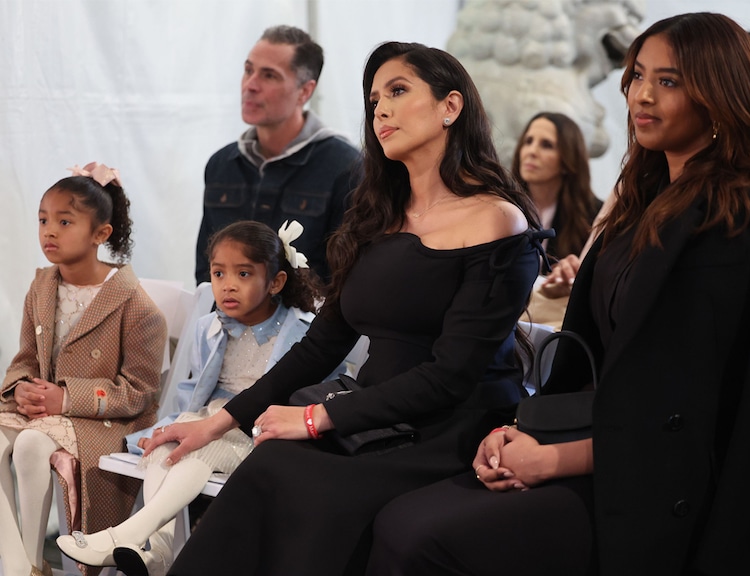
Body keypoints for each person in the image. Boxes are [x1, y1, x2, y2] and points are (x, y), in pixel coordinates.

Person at [367, 12, 750, 576]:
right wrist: (521, 432)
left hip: (662, 480)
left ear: (719, 91)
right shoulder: (645, 201)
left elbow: (691, 406)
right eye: (636, 75)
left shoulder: (741, 214)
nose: (642, 95)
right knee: (397, 518)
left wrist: (554, 458)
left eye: (669, 80)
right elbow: (591, 365)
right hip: (601, 442)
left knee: (424, 536)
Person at [143, 41, 545, 575]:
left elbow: (451, 376)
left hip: (453, 426)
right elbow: (322, 345)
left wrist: (316, 418)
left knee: (311, 488)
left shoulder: (497, 220)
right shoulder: (376, 216)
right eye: (374, 98)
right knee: (270, 466)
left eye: (398, 92)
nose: (380, 109)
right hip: (374, 415)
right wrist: (216, 424)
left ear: (451, 107)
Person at [56, 219, 333, 576]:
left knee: (195, 443)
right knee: (168, 441)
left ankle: (126, 535)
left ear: (276, 281)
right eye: (218, 274)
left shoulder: (302, 333)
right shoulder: (211, 327)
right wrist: (172, 425)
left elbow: (310, 395)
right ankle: (156, 553)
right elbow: (194, 392)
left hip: (261, 431)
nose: (228, 285)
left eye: (244, 274)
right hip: (208, 420)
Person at [0, 163, 166, 576]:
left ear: (101, 234)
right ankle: (23, 566)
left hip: (105, 421)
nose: (49, 231)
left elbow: (141, 392)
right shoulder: (42, 286)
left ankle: (34, 562)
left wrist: (67, 397)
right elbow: (27, 359)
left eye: (64, 221)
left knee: (31, 445)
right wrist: (20, 387)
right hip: (47, 412)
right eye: (43, 220)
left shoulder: (135, 305)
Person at [195, 25, 362, 285]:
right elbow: (205, 271)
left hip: (308, 324)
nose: (250, 85)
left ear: (305, 91)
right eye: (248, 70)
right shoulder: (222, 164)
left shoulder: (345, 167)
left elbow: (347, 279)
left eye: (269, 76)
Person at [511, 111, 602, 327]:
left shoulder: (594, 217)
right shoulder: (502, 205)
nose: (532, 151)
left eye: (546, 145)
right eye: (528, 141)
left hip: (556, 326)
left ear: (567, 159)